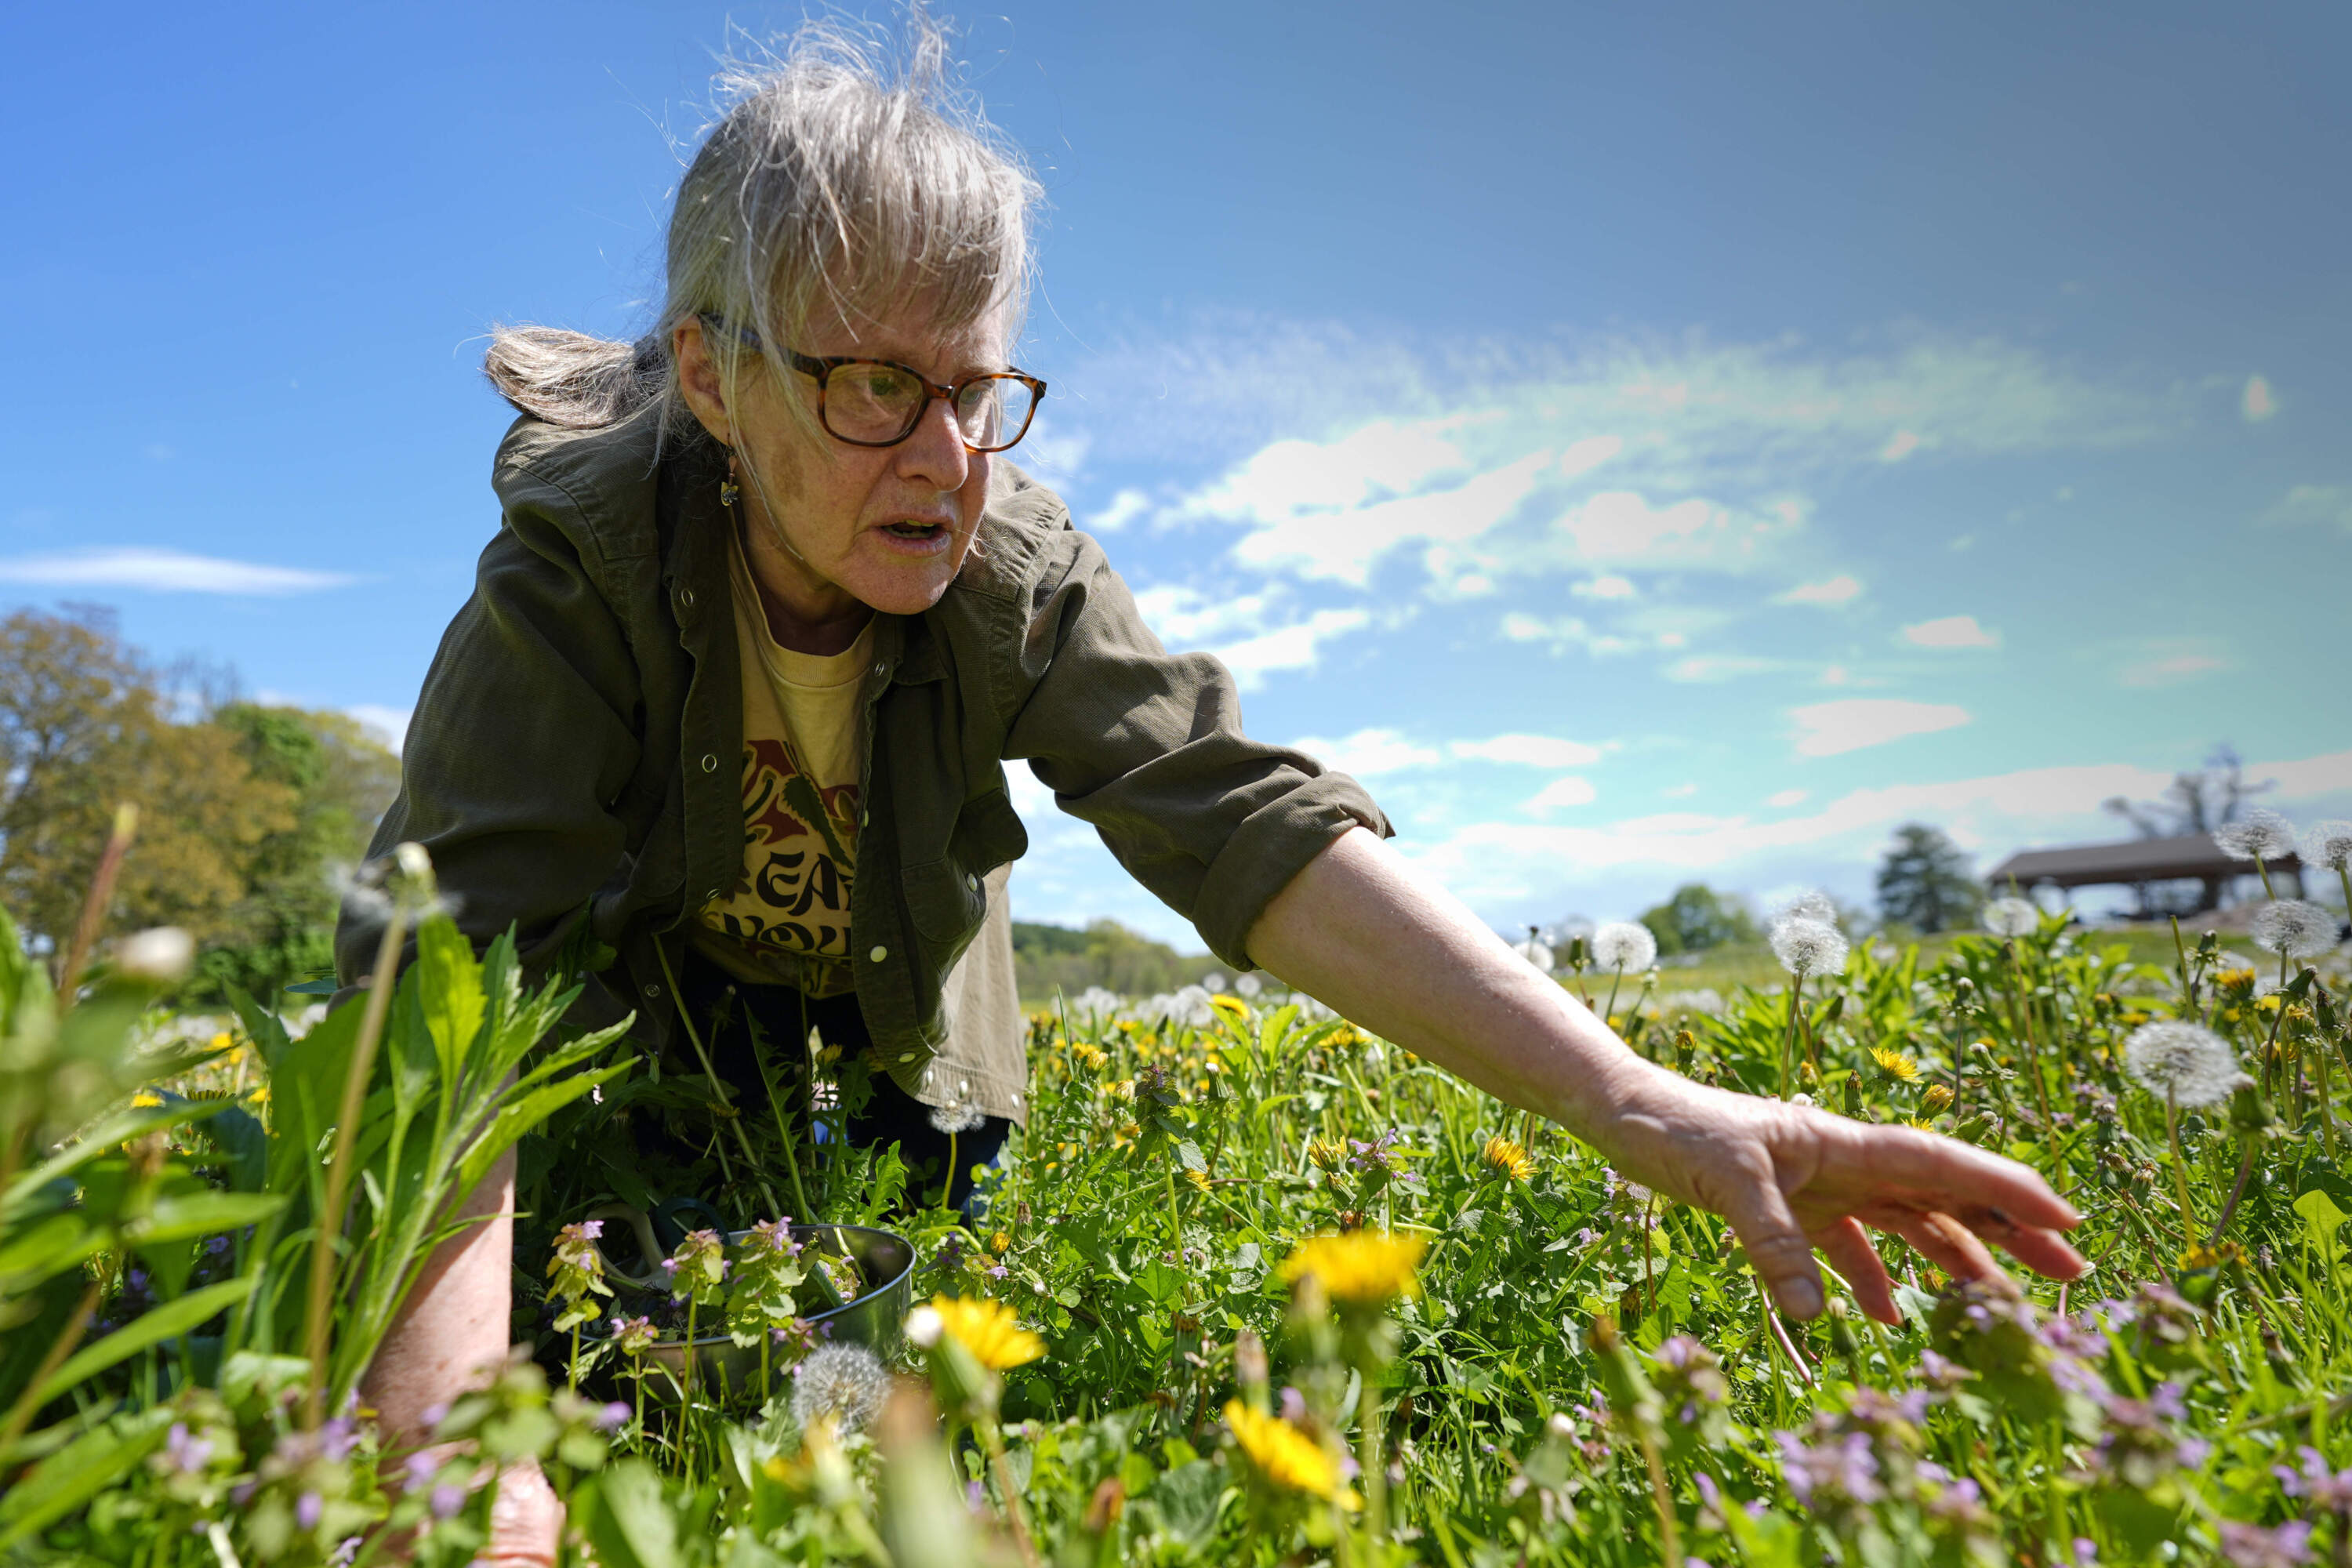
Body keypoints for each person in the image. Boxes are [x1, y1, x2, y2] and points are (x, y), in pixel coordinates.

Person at [338, 20, 2085, 1563]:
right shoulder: (575, 578)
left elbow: (1246, 824)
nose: (943, 462)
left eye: (973, 389)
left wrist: (1647, 1106)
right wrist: (453, 1461)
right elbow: (448, 988)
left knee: (844, 1378)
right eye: (874, 385)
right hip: (629, 1066)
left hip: (883, 1090)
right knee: (585, 1359)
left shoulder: (1011, 572)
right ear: (716, 376)